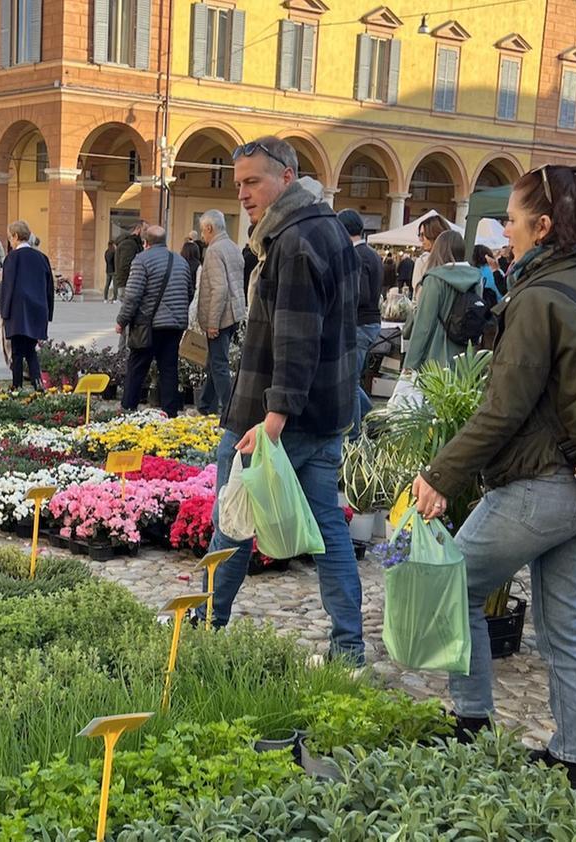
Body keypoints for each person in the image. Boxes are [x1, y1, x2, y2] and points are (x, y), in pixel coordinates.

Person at [412, 164, 576, 790]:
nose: (503, 230)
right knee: (567, 627)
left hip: (543, 487)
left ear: (541, 226)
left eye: (509, 219)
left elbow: (503, 408)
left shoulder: (537, 296)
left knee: (453, 583)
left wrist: (441, 475)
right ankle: (574, 761)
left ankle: (471, 722)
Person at [200, 137, 362, 665]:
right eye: (239, 182)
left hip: (276, 414)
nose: (243, 193)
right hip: (323, 415)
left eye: (253, 181)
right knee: (329, 530)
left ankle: (206, 623)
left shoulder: (293, 241)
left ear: (286, 178)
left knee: (234, 519)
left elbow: (296, 340)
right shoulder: (327, 227)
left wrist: (272, 420)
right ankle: (348, 648)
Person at [115, 225, 193, 416]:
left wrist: (122, 320)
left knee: (137, 367)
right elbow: (189, 292)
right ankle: (170, 412)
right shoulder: (181, 261)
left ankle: (128, 409)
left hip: (148, 325)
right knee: (169, 369)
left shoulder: (142, 260)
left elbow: (132, 296)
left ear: (146, 242)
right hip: (175, 325)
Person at [402, 230, 481, 374]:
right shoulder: (476, 279)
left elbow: (423, 326)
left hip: (436, 359)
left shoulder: (435, 279)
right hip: (466, 358)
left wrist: (410, 365)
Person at [195, 209, 246, 417]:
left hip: (221, 317)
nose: (202, 236)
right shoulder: (233, 247)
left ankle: (230, 410)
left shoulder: (215, 251)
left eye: (203, 231)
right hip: (234, 313)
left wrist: (213, 322)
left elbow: (220, 288)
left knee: (219, 364)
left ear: (210, 228)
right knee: (214, 362)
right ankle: (206, 404)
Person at [338, 209, 382, 440]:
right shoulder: (372, 254)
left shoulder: (356, 256)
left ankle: (354, 434)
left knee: (350, 383)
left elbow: (361, 294)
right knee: (352, 380)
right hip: (371, 322)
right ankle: (373, 416)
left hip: (360, 323)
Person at [0, 220, 54, 391]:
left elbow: (8, 286)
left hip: (17, 310)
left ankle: (17, 386)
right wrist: (48, 312)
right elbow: (49, 287)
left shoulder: (12, 258)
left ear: (15, 236)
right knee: (30, 349)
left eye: (10, 238)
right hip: (37, 310)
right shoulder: (42, 258)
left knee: (16, 351)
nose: (10, 242)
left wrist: (4, 312)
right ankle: (38, 384)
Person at [412, 215, 451, 297]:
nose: (421, 240)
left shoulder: (423, 261)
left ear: (434, 234)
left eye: (423, 235)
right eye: (420, 235)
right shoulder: (456, 261)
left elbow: (419, 297)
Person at [112, 219, 145, 302]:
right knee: (129, 312)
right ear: (138, 229)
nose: (147, 233)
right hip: (128, 285)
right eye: (145, 230)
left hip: (128, 284)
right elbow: (126, 265)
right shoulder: (129, 244)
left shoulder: (134, 243)